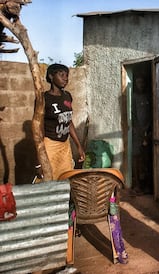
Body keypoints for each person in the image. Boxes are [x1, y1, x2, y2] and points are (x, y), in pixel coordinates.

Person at [34, 63, 85, 274]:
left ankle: (69, 223)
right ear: (51, 76)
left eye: (67, 75)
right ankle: (44, 227)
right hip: (49, 145)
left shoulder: (68, 96)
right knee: (48, 184)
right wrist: (39, 157)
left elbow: (69, 122)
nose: (66, 78)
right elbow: (36, 126)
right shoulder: (43, 98)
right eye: (61, 75)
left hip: (64, 146)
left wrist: (78, 144)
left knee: (67, 184)